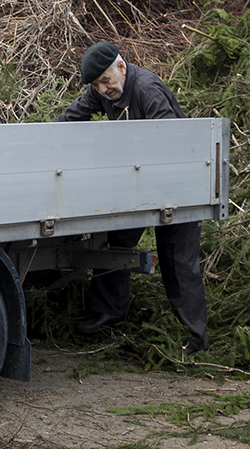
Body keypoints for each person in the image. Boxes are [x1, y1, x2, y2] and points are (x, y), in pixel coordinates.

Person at [55, 41, 210, 355]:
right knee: (115, 241)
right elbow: (72, 118)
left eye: (106, 81)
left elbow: (171, 141)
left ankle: (196, 336)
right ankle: (110, 311)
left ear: (121, 67)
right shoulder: (102, 91)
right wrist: (40, 140)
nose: (102, 89)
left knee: (177, 261)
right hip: (139, 187)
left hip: (177, 186)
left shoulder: (147, 90)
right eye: (96, 85)